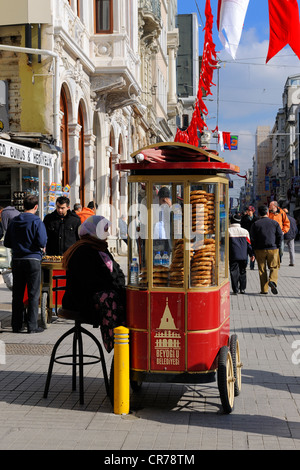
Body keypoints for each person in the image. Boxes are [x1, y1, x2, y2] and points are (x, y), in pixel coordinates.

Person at [62, 215, 126, 353]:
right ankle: (114, 341)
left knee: (124, 296)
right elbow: (91, 281)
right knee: (110, 297)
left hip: (93, 295)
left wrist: (119, 285)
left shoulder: (101, 248)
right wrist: (115, 285)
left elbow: (117, 271)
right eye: (104, 230)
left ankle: (123, 338)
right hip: (81, 300)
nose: (107, 234)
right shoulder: (83, 250)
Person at [4, 195, 47, 333]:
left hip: (17, 260)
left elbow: (7, 242)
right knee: (33, 294)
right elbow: (41, 242)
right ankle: (32, 326)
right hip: (33, 260)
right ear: (36, 207)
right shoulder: (37, 221)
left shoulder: (14, 221)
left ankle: (16, 325)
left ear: (23, 206)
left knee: (17, 295)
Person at [250, 205, 283, 295]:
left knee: (262, 269)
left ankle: (264, 290)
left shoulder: (255, 224)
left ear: (258, 213)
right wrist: (278, 245)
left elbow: (252, 239)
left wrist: (253, 251)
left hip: (259, 249)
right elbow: (280, 235)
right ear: (268, 213)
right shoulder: (274, 223)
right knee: (274, 267)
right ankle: (272, 281)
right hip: (273, 248)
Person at [228, 214, 254, 295]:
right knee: (243, 271)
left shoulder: (228, 231)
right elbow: (249, 244)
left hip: (232, 255)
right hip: (243, 256)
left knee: (233, 271)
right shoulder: (245, 231)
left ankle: (235, 289)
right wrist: (251, 254)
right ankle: (242, 289)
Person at [241, 205, 258, 270]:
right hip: (246, 236)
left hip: (253, 237)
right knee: (245, 251)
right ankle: (245, 264)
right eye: (247, 210)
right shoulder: (244, 218)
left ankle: (252, 265)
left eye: (249, 211)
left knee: (252, 251)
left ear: (253, 211)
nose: (248, 212)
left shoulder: (256, 218)